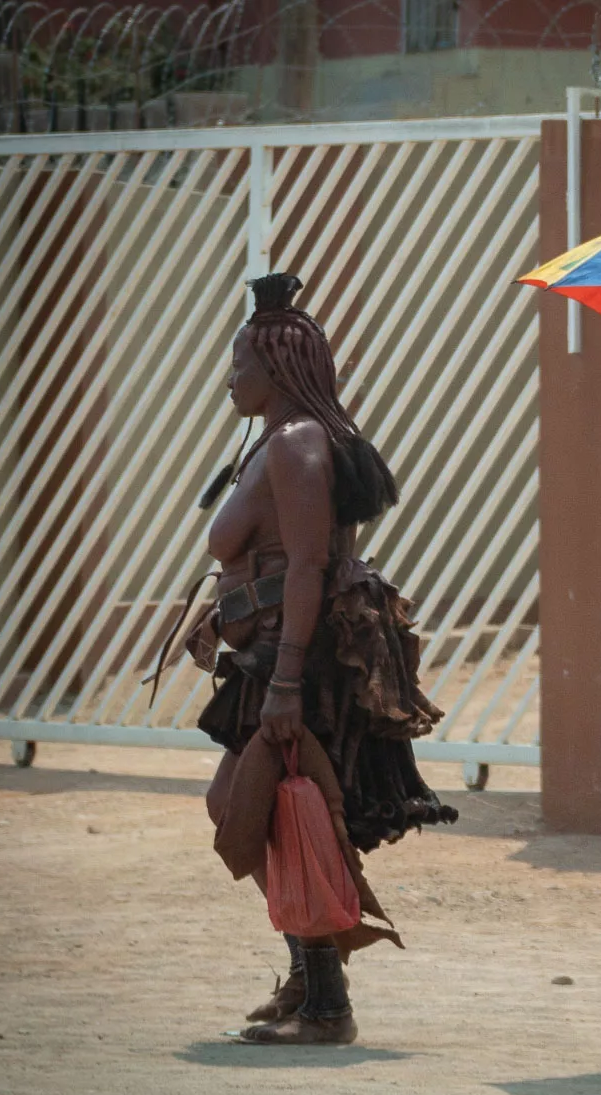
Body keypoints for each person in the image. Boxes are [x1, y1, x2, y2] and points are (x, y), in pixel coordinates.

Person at [173, 272, 457, 1046]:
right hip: (271, 654)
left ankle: (326, 1002)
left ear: (277, 367)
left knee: (260, 806)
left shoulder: (299, 444)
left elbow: (308, 567)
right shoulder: (280, 442)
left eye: (240, 363)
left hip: (294, 660)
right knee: (244, 806)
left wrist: (288, 679)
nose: (230, 377)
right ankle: (310, 978)